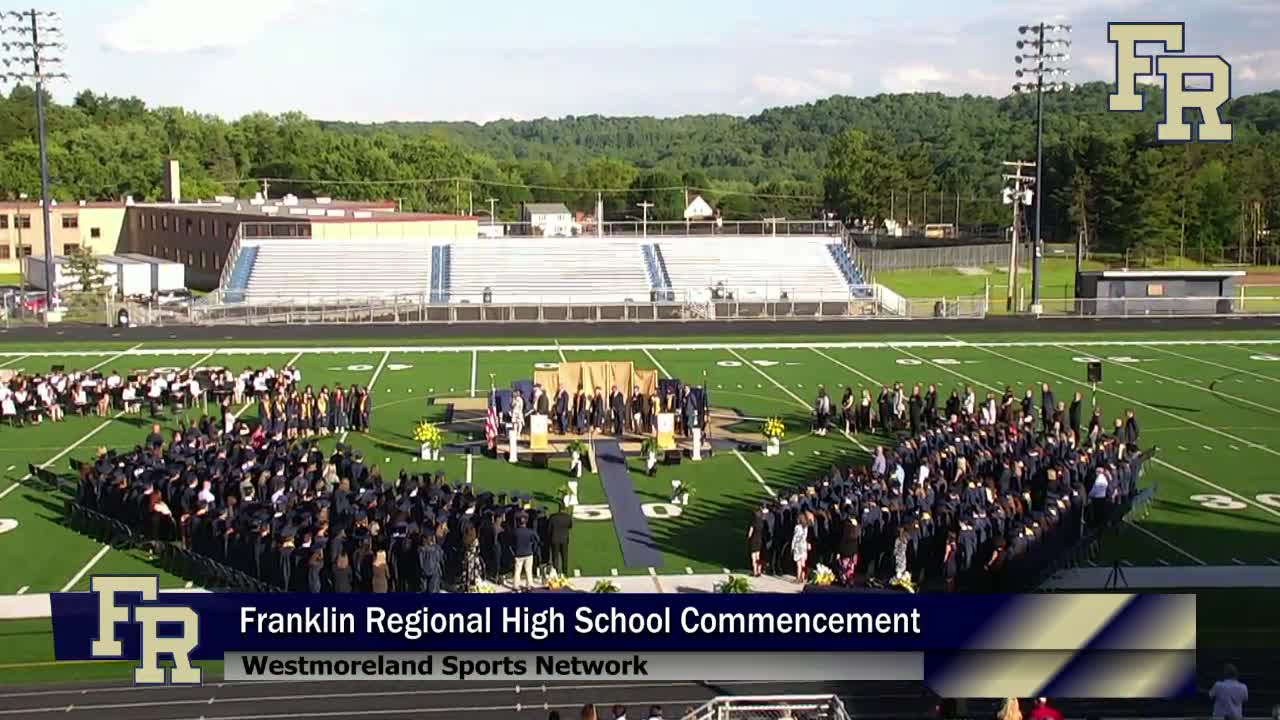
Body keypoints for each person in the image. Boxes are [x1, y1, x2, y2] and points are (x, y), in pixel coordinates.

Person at [512, 514, 538, 590]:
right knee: (528, 570)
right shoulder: (530, 532)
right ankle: (529, 584)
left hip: (518, 553)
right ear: (525, 523)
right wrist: (533, 549)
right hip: (528, 553)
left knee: (517, 571)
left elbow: (511, 542)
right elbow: (537, 540)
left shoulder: (515, 532)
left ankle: (516, 585)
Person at [548, 504, 573, 576]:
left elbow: (549, 529)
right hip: (564, 539)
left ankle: (556, 573)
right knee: (564, 557)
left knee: (555, 557)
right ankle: (565, 573)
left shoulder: (553, 517)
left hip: (554, 539)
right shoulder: (567, 517)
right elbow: (570, 526)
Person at [791, 513, 810, 583]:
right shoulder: (806, 527)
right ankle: (803, 576)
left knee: (798, 563)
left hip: (798, 546)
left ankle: (798, 577)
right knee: (803, 562)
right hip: (803, 545)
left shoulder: (797, 527)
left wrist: (792, 547)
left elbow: (795, 538)